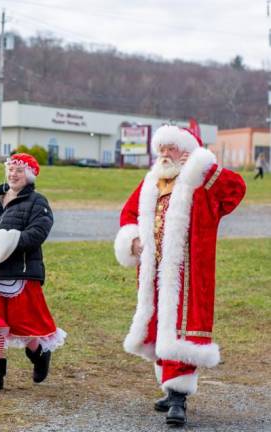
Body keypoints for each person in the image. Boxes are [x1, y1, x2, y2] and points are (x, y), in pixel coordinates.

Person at [114, 125, 246, 426]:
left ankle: (178, 396)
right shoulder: (151, 182)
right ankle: (169, 385)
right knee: (158, 325)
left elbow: (235, 190)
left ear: (186, 151)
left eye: (170, 148)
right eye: (160, 148)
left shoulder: (199, 182)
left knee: (181, 329)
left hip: (188, 275)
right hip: (153, 273)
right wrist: (132, 238)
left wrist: (203, 165)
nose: (163, 154)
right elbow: (129, 213)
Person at [0, 153, 66, 392]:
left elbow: (38, 233)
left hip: (19, 273)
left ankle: (39, 354)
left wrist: (8, 242)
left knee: (23, 323)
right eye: (10, 170)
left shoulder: (38, 202)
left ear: (29, 175)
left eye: (19, 171)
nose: (13, 174)